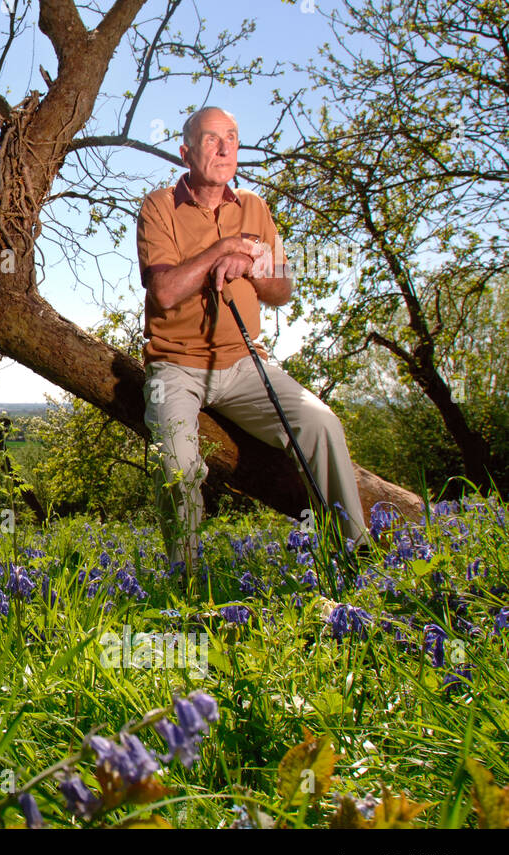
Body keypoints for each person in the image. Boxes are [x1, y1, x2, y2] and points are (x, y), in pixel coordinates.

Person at [136, 106, 368, 573]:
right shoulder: (158, 206)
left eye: (232, 139)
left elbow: (282, 290)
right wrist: (223, 249)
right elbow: (163, 291)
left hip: (245, 363)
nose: (224, 149)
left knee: (321, 424)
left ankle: (353, 555)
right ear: (186, 152)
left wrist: (252, 265)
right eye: (210, 140)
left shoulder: (255, 207)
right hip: (176, 367)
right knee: (177, 468)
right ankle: (188, 582)